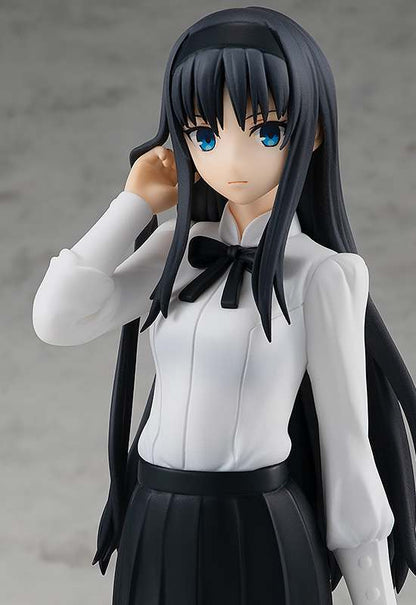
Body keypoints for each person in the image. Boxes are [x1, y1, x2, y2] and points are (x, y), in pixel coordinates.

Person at [32, 7, 416, 605]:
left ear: (312, 133)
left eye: (266, 132)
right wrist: (133, 204)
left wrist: (375, 595)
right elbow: (58, 321)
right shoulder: (176, 249)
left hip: (259, 527)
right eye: (205, 136)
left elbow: (348, 448)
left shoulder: (324, 273)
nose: (231, 162)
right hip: (155, 521)